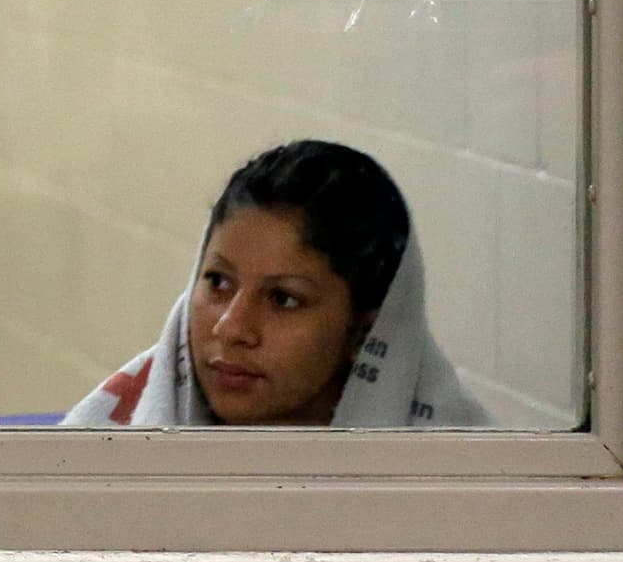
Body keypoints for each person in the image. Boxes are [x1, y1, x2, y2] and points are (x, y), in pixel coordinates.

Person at [63, 138, 489, 429]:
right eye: (218, 281)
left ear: (365, 332)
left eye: (283, 299)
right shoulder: (98, 457)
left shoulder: (471, 491)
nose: (230, 328)